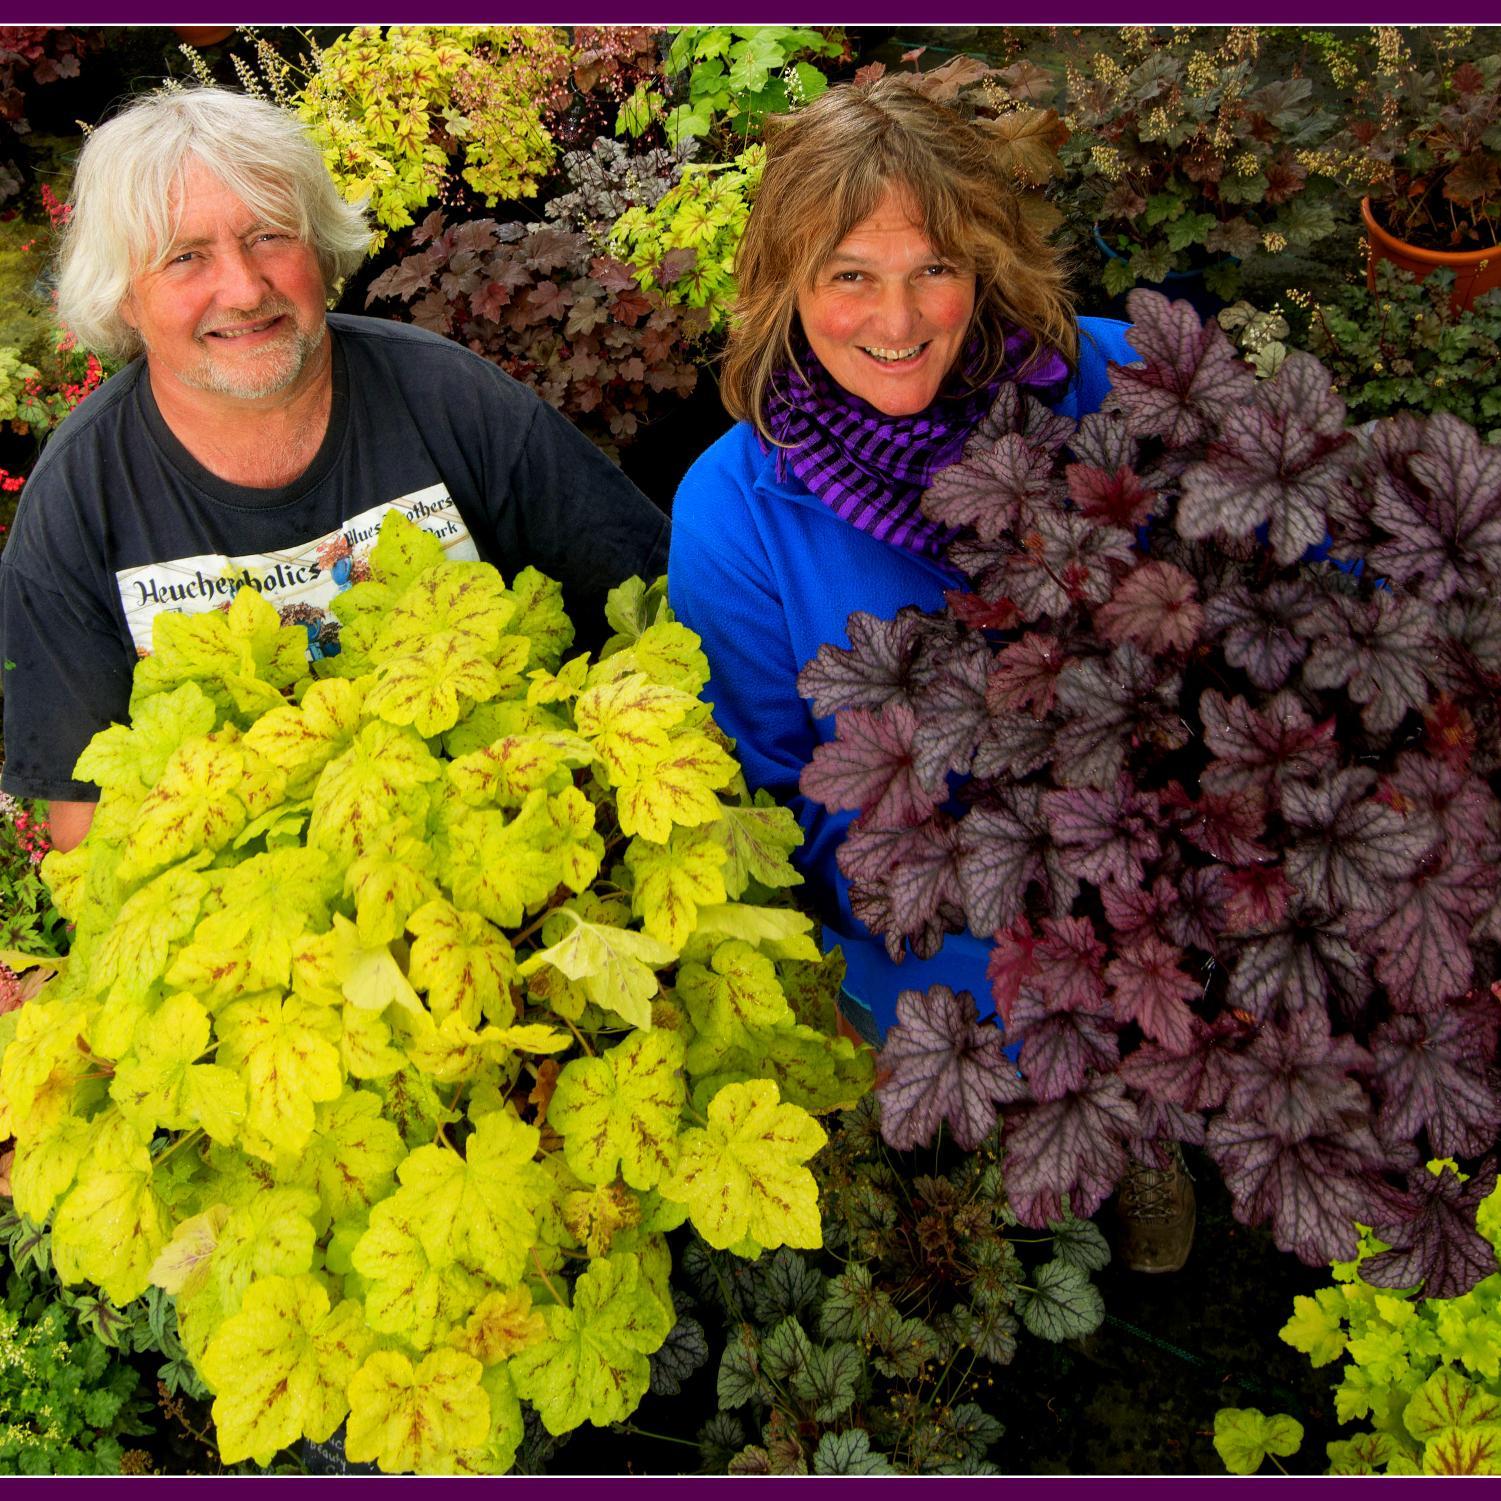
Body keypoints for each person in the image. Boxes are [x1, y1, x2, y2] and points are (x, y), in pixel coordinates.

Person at [668, 78, 1192, 1271]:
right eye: (849, 273)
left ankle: (1149, 1106)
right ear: (787, 287)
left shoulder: (1114, 381)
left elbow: (1285, 572)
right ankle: (1053, 1106)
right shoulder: (734, 512)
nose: (895, 317)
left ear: (988, 267)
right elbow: (788, 800)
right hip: (944, 890)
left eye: (935, 269)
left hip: (1158, 830)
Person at [0, 86, 669, 853]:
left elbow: (651, 609)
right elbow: (87, 827)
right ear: (124, 298)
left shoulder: (451, 399)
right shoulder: (78, 499)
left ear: (318, 247)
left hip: (516, 855)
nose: (246, 289)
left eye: (269, 237)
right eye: (186, 257)